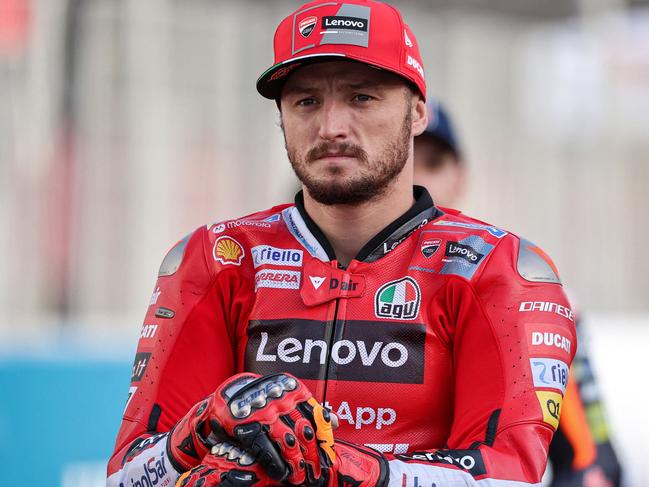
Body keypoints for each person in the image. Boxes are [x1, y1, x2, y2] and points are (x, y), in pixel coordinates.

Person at [106, 1, 577, 486]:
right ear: (281, 118)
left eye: (362, 98)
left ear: (417, 113)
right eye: (306, 101)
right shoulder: (218, 259)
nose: (331, 127)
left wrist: (341, 472)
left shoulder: (497, 271)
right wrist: (199, 431)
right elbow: (126, 478)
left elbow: (508, 477)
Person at [413, 101, 622, 487]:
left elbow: (593, 464)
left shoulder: (528, 294)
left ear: (461, 178)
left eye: (433, 163)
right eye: (404, 159)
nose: (418, 179)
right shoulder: (275, 271)